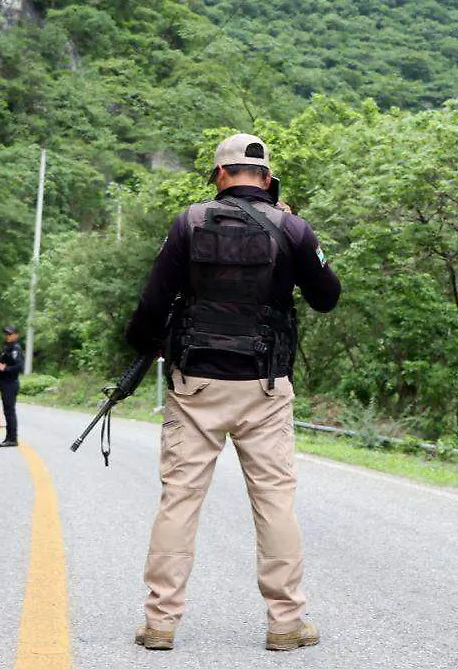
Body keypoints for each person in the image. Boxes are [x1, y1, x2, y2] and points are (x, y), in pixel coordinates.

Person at [124, 133, 341, 651]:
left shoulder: (189, 223)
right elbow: (327, 297)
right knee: (275, 503)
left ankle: (160, 622)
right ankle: (285, 622)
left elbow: (152, 303)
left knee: (179, 501)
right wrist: (300, 238)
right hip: (265, 386)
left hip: (196, 385)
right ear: (267, 179)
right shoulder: (292, 228)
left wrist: (147, 345)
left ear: (220, 175)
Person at [0, 325, 23, 447]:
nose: (7, 336)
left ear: (16, 335)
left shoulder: (15, 349)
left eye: (10, 334)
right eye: (6, 334)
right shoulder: (7, 347)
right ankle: (8, 437)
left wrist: (5, 369)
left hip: (11, 383)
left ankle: (12, 439)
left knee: (10, 411)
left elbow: (18, 367)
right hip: (4, 383)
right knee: (7, 411)